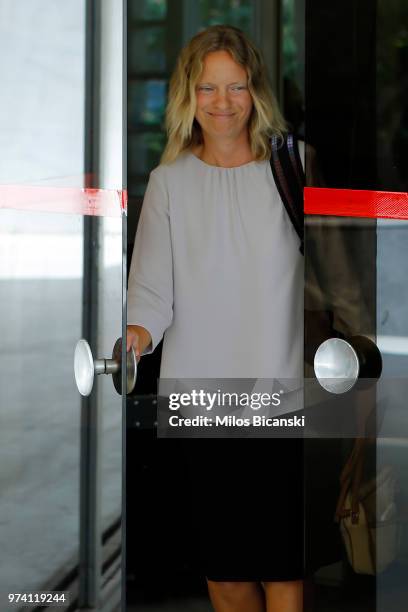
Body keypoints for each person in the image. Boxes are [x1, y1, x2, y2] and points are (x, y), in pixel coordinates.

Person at [127, 25, 306, 612]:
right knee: (227, 574)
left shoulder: (293, 168)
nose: (222, 103)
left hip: (279, 395)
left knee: (283, 569)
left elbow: (334, 270)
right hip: (202, 401)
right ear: (188, 94)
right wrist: (136, 334)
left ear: (255, 92)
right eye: (208, 88)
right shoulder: (169, 184)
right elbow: (152, 290)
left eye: (236, 87)